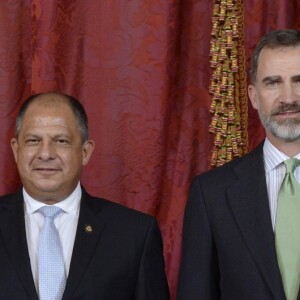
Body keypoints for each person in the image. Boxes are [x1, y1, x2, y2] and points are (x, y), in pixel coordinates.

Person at [0, 92, 170, 299]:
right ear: (16, 151)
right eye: (33, 140)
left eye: (61, 141)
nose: (45, 153)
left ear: (85, 152)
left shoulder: (134, 235)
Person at [177, 29, 300, 300]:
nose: (288, 97)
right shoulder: (211, 194)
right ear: (254, 97)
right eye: (273, 82)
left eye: (299, 80)